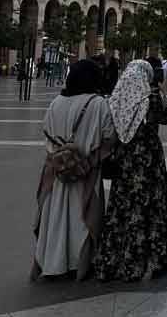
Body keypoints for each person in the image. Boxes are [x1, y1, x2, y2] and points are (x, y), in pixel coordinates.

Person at [95, 60, 167, 281]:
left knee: (122, 205)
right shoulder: (150, 98)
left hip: (124, 159)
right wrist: (165, 94)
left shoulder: (116, 98)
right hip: (148, 159)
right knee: (152, 203)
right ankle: (156, 256)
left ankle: (113, 261)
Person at [32, 59, 116, 280]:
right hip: (85, 173)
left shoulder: (55, 103)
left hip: (57, 173)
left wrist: (61, 156)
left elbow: (47, 135)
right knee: (82, 216)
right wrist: (88, 157)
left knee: (54, 215)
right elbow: (109, 138)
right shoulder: (98, 104)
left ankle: (52, 261)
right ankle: (78, 264)